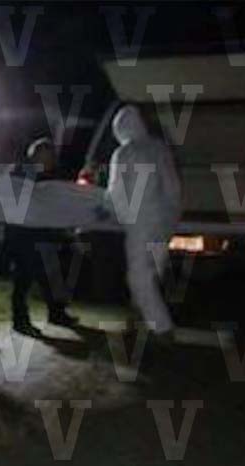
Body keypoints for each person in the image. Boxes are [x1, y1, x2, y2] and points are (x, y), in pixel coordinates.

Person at [104, 105, 181, 337]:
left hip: (140, 224)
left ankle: (162, 328)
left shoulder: (124, 153)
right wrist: (172, 217)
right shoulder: (160, 148)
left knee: (139, 277)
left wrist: (117, 216)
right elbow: (173, 187)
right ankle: (139, 319)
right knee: (152, 274)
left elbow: (116, 192)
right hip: (164, 223)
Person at [7, 137, 78, 337]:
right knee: (24, 278)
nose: (52, 161)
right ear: (38, 156)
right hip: (23, 235)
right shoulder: (21, 174)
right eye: (49, 157)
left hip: (43, 234)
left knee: (52, 275)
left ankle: (57, 313)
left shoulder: (48, 176)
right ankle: (20, 320)